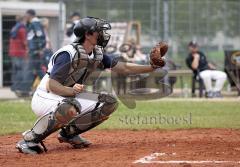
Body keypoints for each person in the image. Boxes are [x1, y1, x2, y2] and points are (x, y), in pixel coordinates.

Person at [16, 17, 163, 154]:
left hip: (68, 96)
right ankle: (29, 140)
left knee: (108, 103)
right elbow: (52, 85)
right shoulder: (68, 53)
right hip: (46, 96)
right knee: (69, 107)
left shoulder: (96, 53)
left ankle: (69, 134)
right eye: (99, 31)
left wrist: (150, 67)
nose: (103, 34)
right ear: (88, 34)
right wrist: (70, 90)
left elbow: (124, 68)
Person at [22, 9, 46, 96]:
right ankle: (48, 85)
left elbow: (40, 36)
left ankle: (25, 90)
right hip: (33, 50)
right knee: (38, 70)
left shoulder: (35, 23)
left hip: (35, 51)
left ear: (30, 15)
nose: (25, 17)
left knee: (30, 70)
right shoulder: (32, 24)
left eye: (26, 15)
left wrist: (39, 49)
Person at [8, 15, 28, 96]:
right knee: (21, 71)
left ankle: (14, 87)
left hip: (13, 52)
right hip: (20, 53)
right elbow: (25, 42)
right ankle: (19, 88)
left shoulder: (14, 28)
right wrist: (28, 51)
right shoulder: (22, 29)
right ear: (23, 20)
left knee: (15, 70)